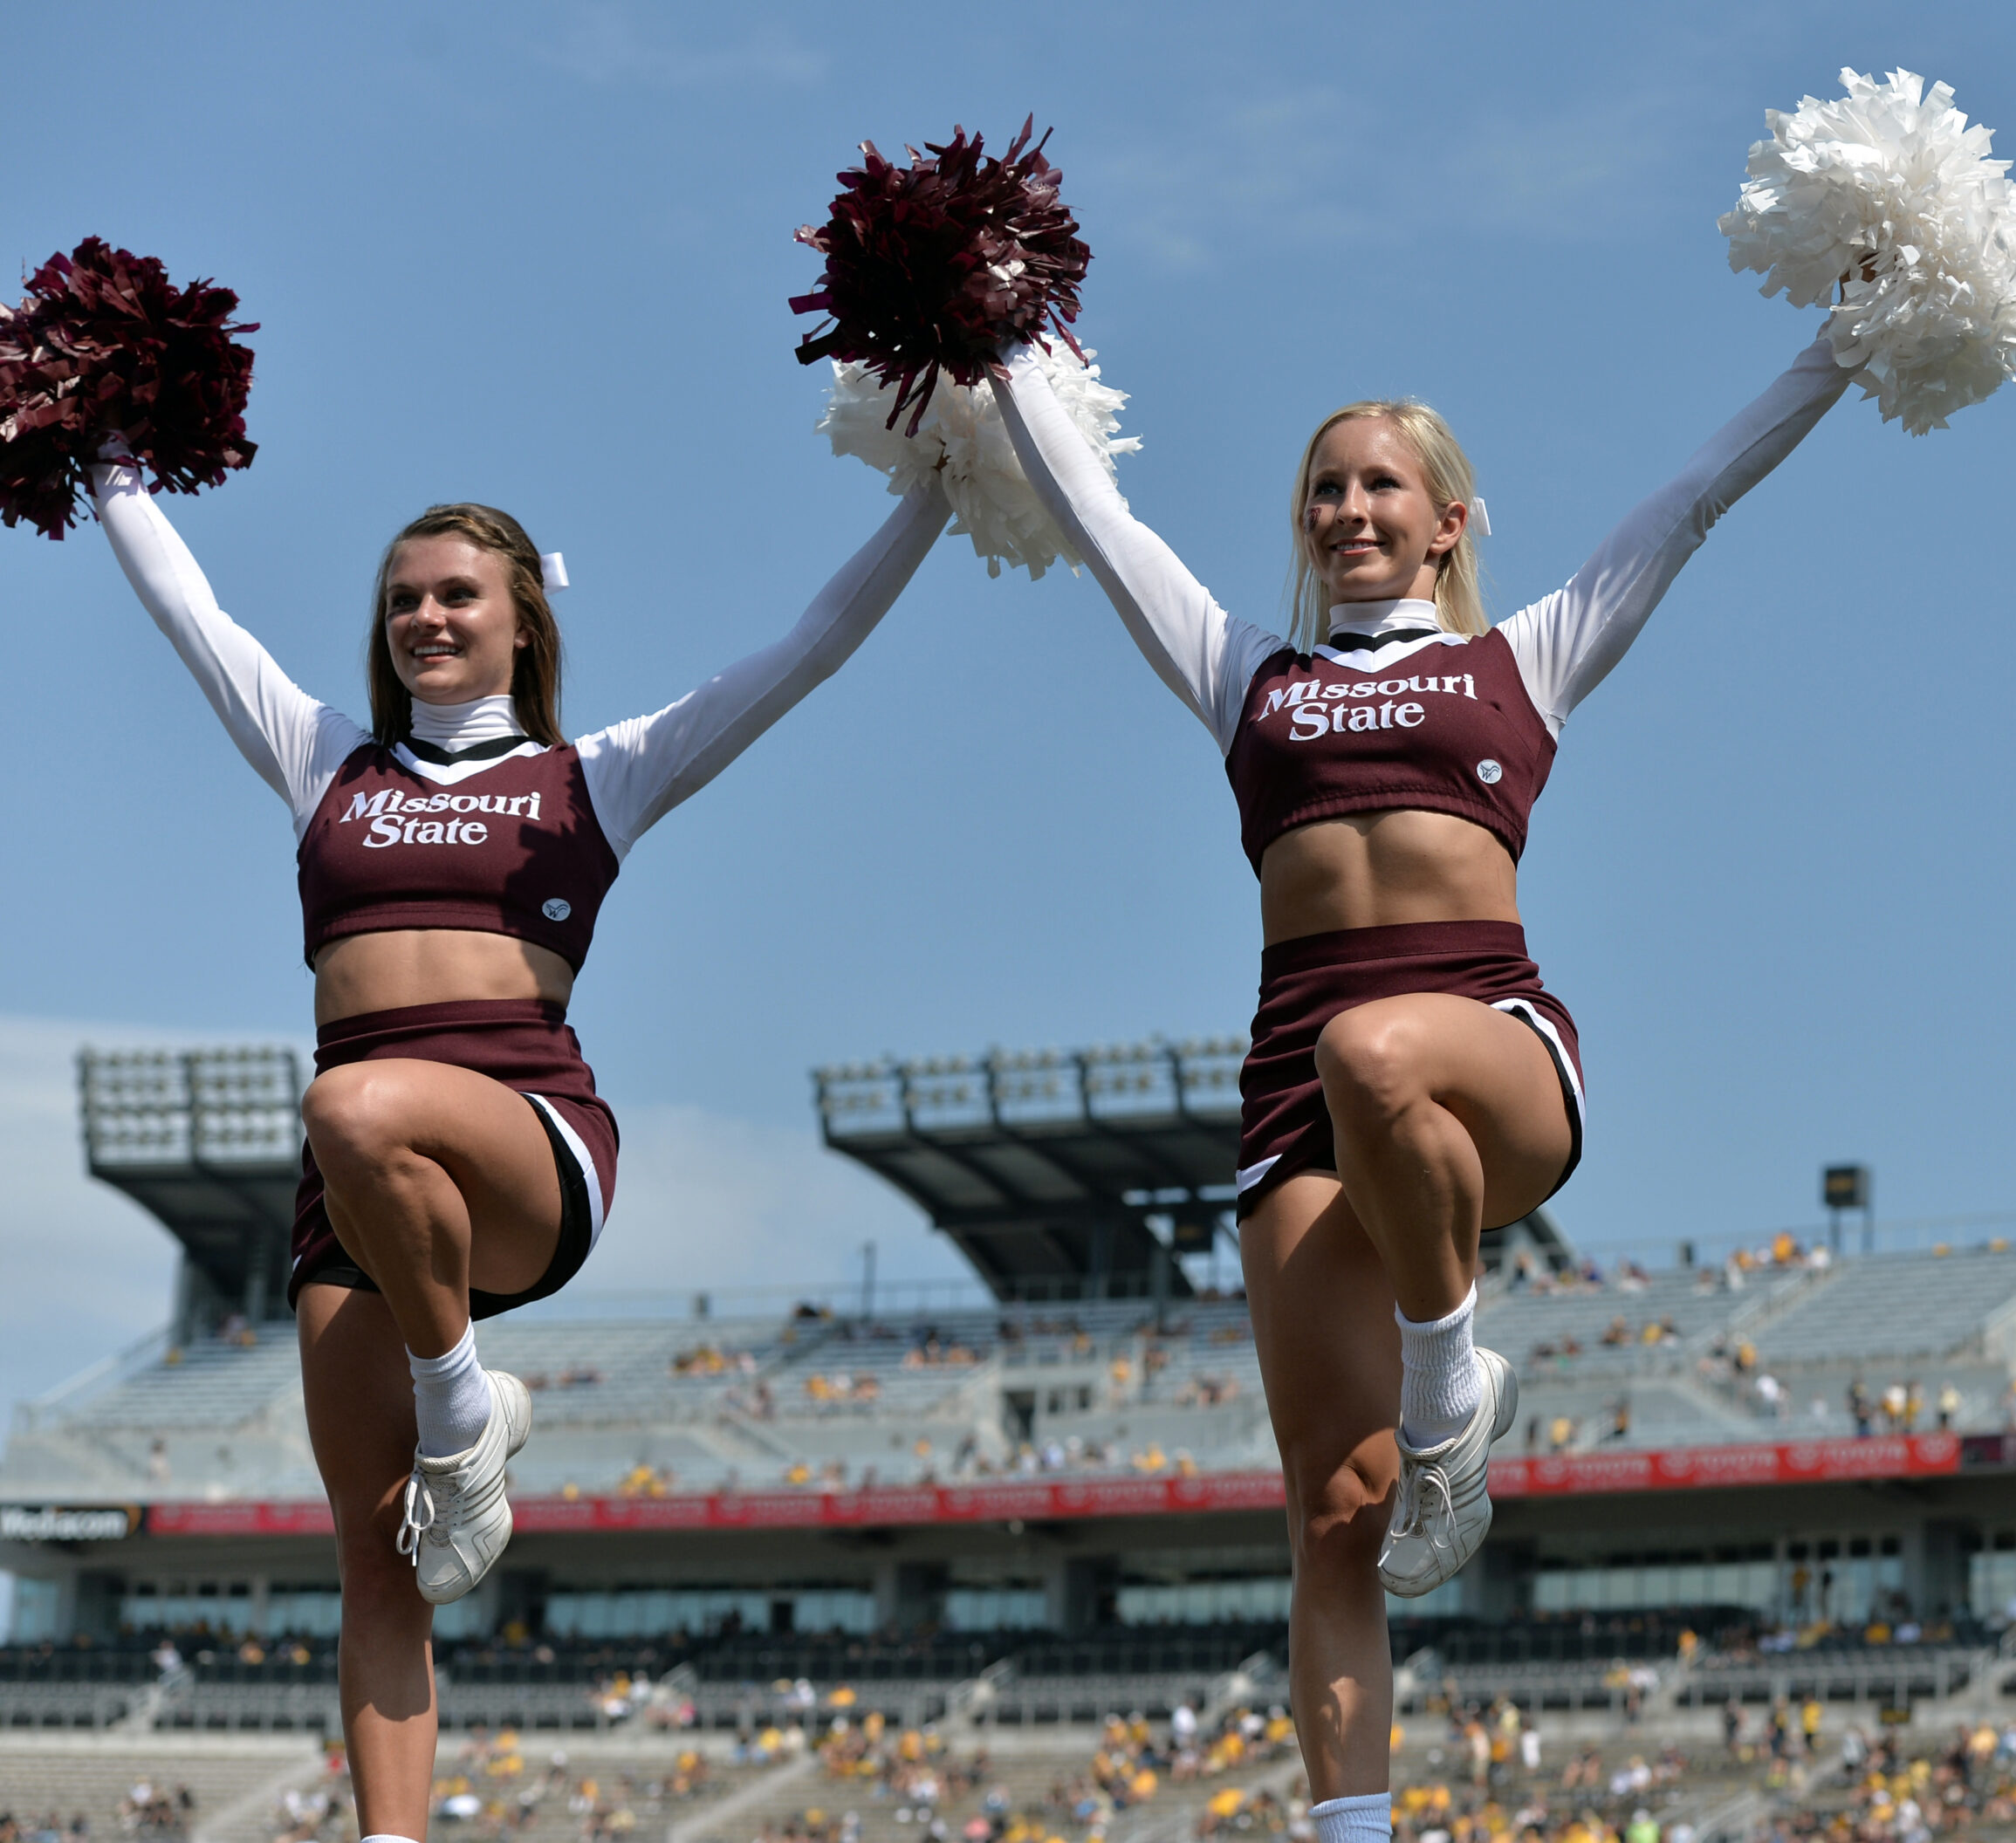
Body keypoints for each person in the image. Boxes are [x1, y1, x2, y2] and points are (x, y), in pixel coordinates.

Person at [993, 319, 1854, 1840]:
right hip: (1294, 1113)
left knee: (1374, 1044)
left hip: (1487, 1054)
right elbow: (1098, 521)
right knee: (1335, 1511)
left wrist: (1842, 339)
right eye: (1325, 490)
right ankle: (1355, 1829)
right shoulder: (1244, 676)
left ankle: (1454, 1375)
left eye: (1382, 486)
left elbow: (1700, 490)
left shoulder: (1524, 655)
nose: (1348, 512)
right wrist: (991, 337)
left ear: (1446, 519)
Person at [93, 450, 945, 1841]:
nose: (426, 619)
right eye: (402, 601)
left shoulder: (593, 774)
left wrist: (940, 484)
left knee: (352, 1099)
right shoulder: (325, 765)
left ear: (523, 623)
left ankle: (462, 1396)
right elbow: (193, 613)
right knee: (380, 1563)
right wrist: (107, 460)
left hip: (527, 1146)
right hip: (361, 1198)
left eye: (457, 596)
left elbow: (811, 647)